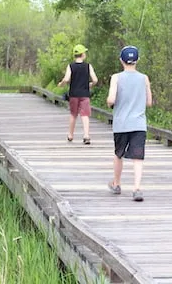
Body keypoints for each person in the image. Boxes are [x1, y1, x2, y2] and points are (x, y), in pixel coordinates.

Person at [106, 46, 152, 201]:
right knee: (138, 157)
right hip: (139, 124)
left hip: (121, 124)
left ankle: (117, 184)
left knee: (118, 154)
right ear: (137, 60)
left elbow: (111, 99)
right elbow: (149, 102)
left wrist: (110, 103)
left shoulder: (116, 78)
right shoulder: (144, 78)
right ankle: (137, 188)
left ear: (121, 60)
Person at [58, 44, 98, 144]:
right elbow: (95, 79)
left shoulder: (70, 66)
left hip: (73, 94)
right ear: (83, 54)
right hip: (85, 94)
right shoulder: (88, 66)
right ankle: (86, 135)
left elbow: (67, 79)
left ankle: (70, 135)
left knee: (73, 114)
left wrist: (61, 83)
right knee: (85, 115)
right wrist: (91, 84)